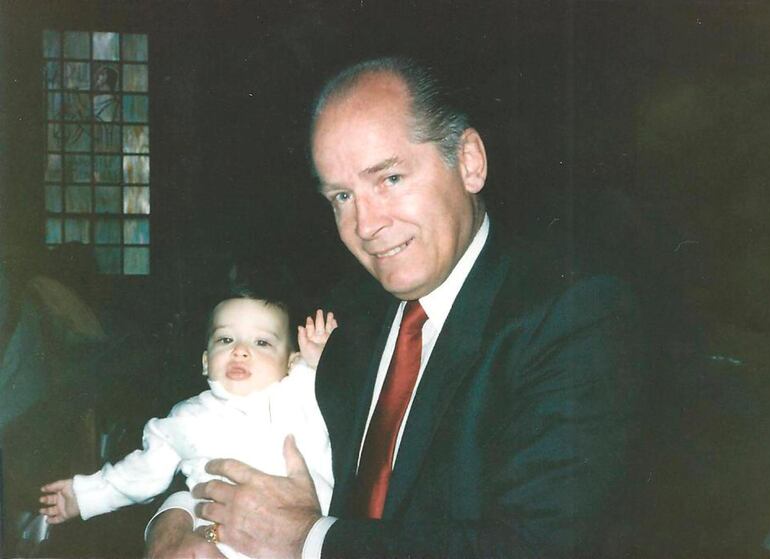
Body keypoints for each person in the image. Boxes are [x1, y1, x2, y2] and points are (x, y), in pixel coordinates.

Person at [146, 56, 646, 559]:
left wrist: (309, 539)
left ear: (469, 161)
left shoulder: (572, 316)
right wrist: (175, 521)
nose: (365, 225)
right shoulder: (348, 314)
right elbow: (240, 433)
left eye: (389, 179)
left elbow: (535, 546)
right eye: (342, 195)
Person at [39, 287, 338, 559]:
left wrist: (320, 360)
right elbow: (142, 472)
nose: (241, 350)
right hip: (224, 548)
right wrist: (85, 495)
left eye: (262, 342)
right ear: (206, 361)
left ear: (289, 361)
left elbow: (329, 389)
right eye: (225, 339)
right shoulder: (187, 417)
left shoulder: (300, 391)